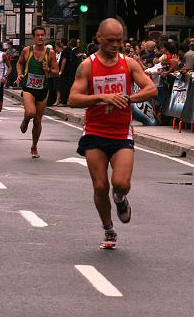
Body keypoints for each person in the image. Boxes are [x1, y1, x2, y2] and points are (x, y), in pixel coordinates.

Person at [69, 19, 156, 249]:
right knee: (100, 186)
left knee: (120, 183)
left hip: (120, 133)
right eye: (110, 41)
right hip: (95, 132)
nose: (116, 45)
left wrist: (129, 98)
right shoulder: (87, 65)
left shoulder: (128, 64)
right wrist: (101, 97)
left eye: (119, 40)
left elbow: (151, 88)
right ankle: (108, 229)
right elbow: (73, 99)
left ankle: (120, 199)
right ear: (98, 37)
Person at [15, 26, 59, 158]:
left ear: (45, 36)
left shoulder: (50, 53)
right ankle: (25, 119)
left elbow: (57, 72)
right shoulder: (27, 50)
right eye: (37, 35)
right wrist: (20, 74)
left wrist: (49, 69)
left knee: (38, 121)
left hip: (43, 89)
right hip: (28, 87)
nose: (40, 37)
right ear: (34, 37)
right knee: (31, 112)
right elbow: (18, 63)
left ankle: (34, 146)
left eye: (42, 35)